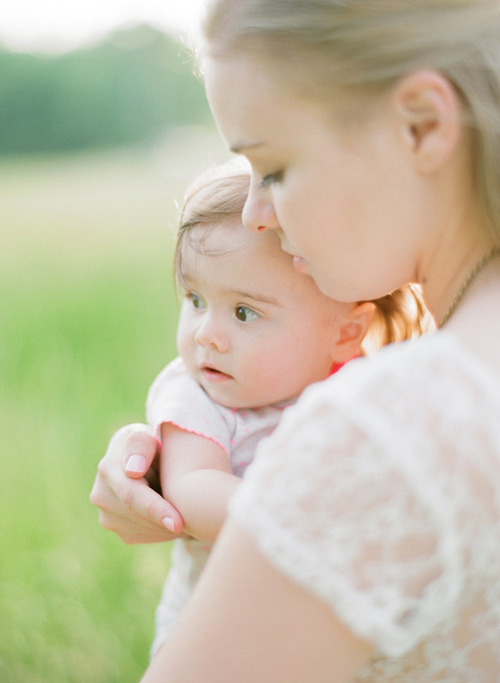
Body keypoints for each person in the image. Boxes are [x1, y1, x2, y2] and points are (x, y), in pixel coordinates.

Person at [94, 0, 500, 678]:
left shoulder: (381, 430)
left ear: (423, 125)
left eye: (273, 169)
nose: (256, 215)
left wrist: (281, 507)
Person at [145, 162, 378, 655]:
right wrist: (314, 531)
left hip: (312, 632)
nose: (206, 333)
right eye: (195, 298)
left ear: (344, 335)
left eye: (245, 312)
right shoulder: (196, 395)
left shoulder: (362, 385)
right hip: (217, 635)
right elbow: (192, 488)